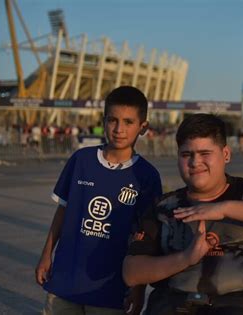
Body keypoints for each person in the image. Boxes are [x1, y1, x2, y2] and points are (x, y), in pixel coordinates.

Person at [123, 113, 243, 315]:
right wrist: (186, 258)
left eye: (205, 153)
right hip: (174, 303)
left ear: (226, 154)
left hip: (242, 302)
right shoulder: (164, 207)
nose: (195, 162)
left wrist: (223, 209)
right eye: (187, 155)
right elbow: (132, 273)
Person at [35, 86, 162, 315]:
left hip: (111, 290)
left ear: (143, 127)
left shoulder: (147, 176)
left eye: (128, 122)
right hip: (66, 282)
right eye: (112, 120)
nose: (119, 129)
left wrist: (138, 288)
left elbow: (146, 238)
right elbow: (62, 212)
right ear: (104, 121)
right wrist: (46, 255)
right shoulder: (81, 160)